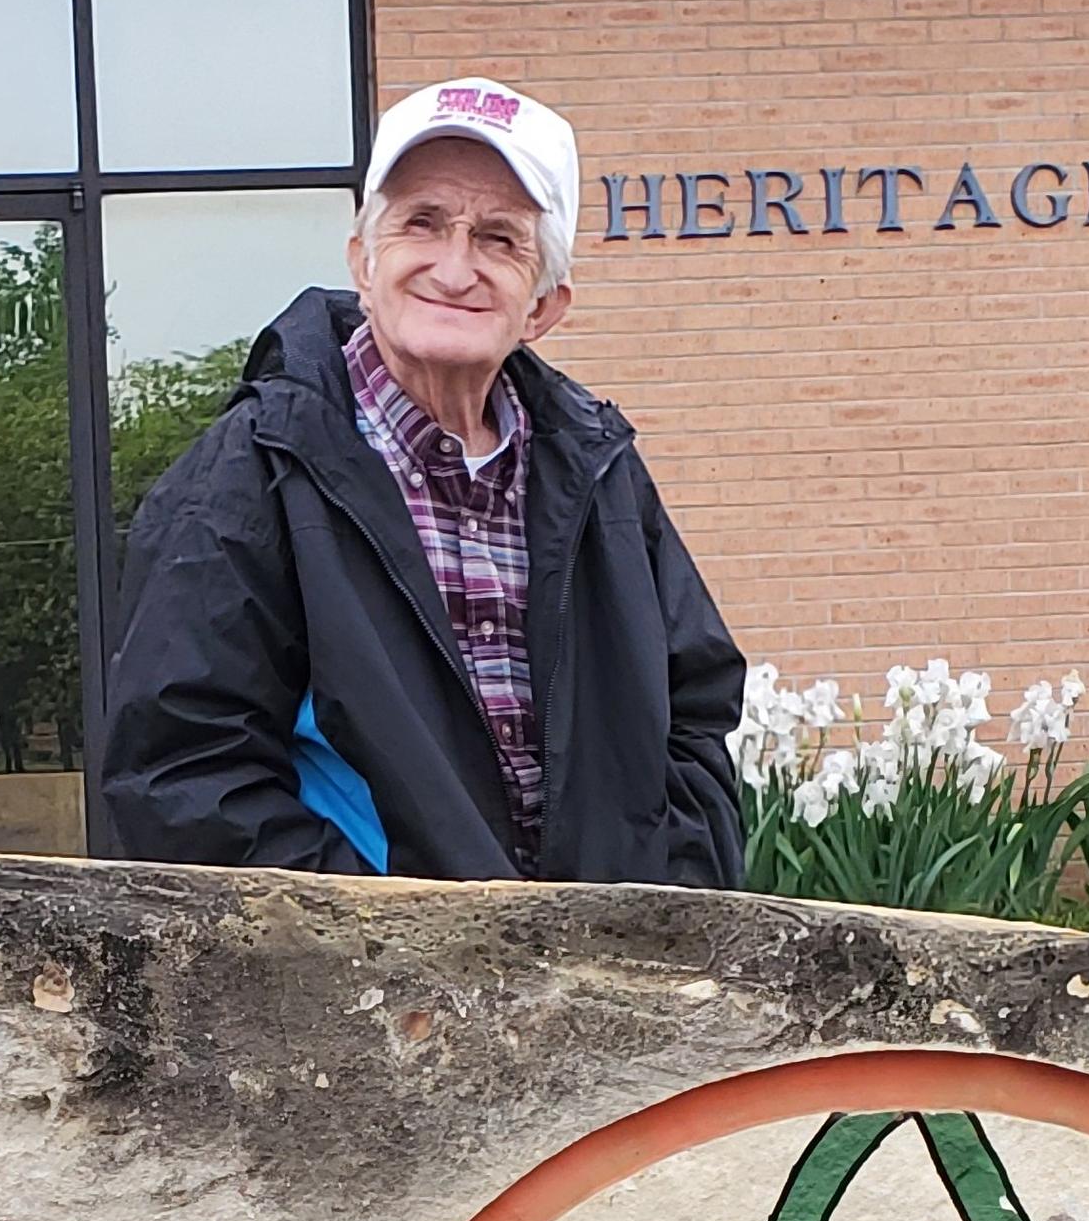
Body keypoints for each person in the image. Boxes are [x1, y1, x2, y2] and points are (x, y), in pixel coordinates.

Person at [101, 77, 746, 886]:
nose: (456, 267)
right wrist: (390, 939)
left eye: (500, 240)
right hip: (363, 993)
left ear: (543, 306)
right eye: (422, 224)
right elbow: (180, 773)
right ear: (363, 263)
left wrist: (656, 908)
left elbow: (696, 712)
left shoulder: (602, 476)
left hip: (599, 984)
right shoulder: (251, 475)